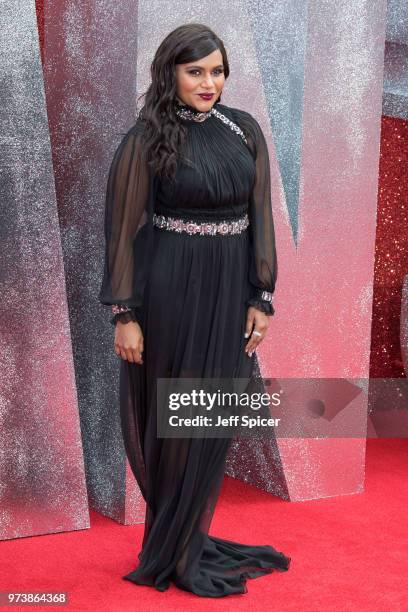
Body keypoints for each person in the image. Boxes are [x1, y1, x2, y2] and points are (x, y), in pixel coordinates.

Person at [99, 22, 291, 597]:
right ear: (171, 74)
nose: (209, 83)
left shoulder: (244, 130)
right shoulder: (144, 139)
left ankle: (186, 535)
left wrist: (262, 297)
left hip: (230, 289)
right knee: (175, 419)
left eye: (217, 70)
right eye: (195, 71)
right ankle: (174, 548)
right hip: (170, 290)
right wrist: (124, 314)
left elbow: (260, 217)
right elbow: (122, 232)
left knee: (210, 416)